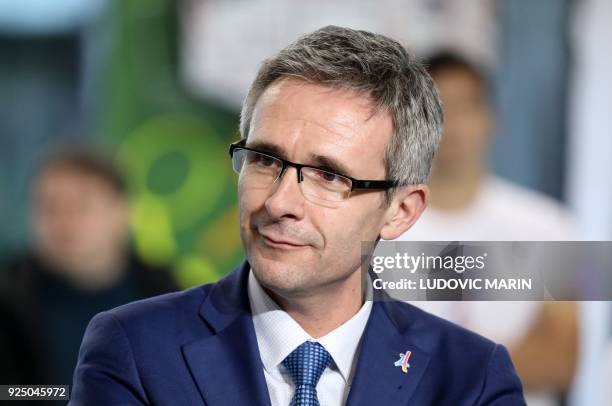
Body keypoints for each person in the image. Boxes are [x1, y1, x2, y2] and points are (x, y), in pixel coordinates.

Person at [71, 26, 525, 405]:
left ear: (400, 211)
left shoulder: (471, 380)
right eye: (265, 159)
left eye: (328, 175)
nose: (279, 202)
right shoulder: (134, 349)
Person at [396, 52, 577, 406]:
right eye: (438, 110)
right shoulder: (376, 230)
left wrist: (422, 362)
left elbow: (563, 358)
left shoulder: (555, 224)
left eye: (467, 106)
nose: (455, 125)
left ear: (490, 118)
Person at [0, 146, 179, 387]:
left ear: (125, 212)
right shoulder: (11, 300)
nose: (64, 221)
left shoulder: (170, 297)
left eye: (82, 205)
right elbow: (8, 393)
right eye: (49, 206)